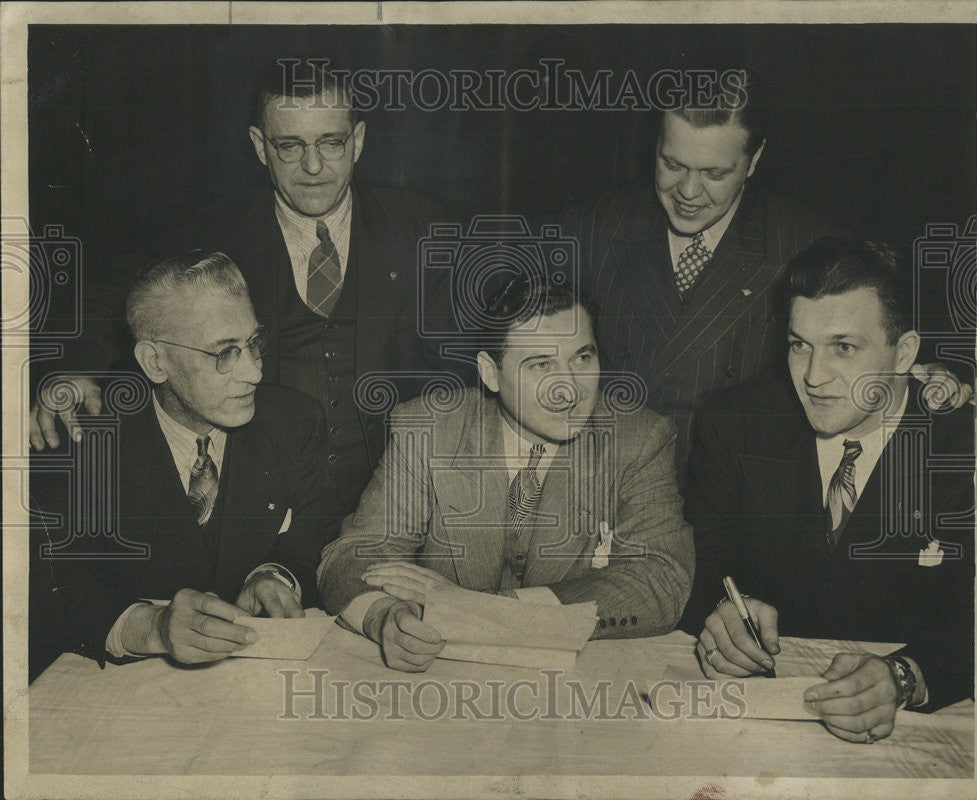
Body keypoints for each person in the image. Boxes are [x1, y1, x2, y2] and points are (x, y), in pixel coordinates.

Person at [28, 58, 459, 531]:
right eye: (289, 146)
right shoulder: (213, 231)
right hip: (265, 514)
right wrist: (73, 367)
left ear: (357, 141)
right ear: (260, 146)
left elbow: (474, 348)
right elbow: (119, 295)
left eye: (331, 143)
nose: (312, 167)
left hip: (391, 509)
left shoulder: (419, 225)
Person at [563, 68, 969, 470]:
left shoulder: (809, 243)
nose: (687, 191)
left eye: (714, 174)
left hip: (732, 504)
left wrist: (928, 373)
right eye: (672, 164)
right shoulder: (591, 227)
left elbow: (885, 345)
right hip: (596, 485)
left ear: (753, 160)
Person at [317, 274, 695, 672]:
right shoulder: (427, 428)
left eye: (583, 358)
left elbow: (661, 580)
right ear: (490, 373)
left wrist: (485, 610)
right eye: (541, 364)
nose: (568, 388)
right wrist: (385, 616)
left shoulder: (638, 438)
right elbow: (352, 555)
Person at [679, 238, 974, 743]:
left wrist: (906, 676)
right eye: (800, 345)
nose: (814, 377)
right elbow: (702, 568)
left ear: (904, 352)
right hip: (756, 727)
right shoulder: (735, 424)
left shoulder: (967, 448)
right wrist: (724, 614)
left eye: (844, 347)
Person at [29, 252, 331, 675]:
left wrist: (274, 576)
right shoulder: (85, 437)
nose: (254, 373)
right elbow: (50, 590)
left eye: (254, 344)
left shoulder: (295, 422)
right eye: (224, 353)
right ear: (156, 362)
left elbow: (304, 544)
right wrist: (153, 627)